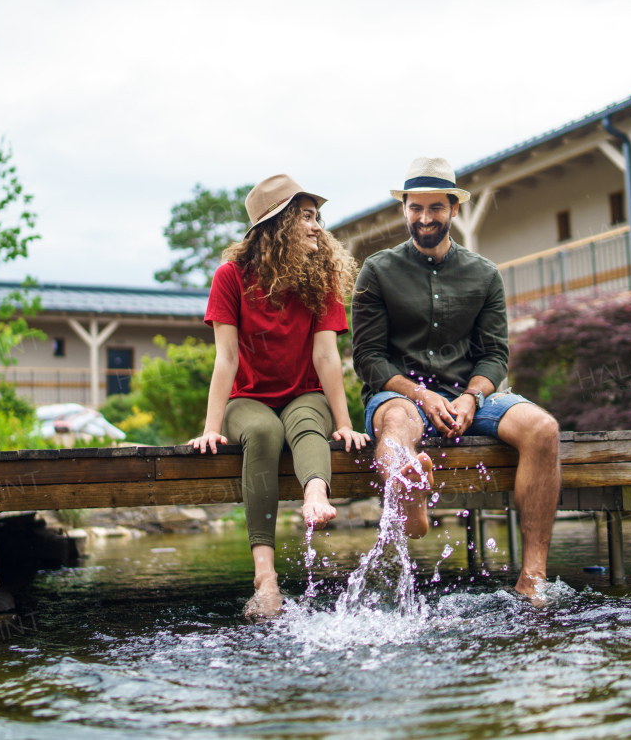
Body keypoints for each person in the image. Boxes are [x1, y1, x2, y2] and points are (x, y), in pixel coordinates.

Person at [351, 156, 562, 602]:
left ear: (454, 209)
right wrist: (419, 393)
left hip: (471, 399)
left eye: (435, 208)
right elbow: (368, 358)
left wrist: (470, 398)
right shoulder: (377, 270)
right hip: (399, 395)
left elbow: (494, 356)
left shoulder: (484, 274)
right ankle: (411, 495)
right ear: (404, 208)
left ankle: (533, 577)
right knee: (397, 429)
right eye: (415, 208)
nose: (424, 218)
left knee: (543, 429)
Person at [190, 173, 368, 619]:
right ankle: (265, 579)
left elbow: (327, 358)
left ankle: (314, 496)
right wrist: (211, 428)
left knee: (309, 421)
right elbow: (226, 359)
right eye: (305, 216)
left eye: (317, 216)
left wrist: (344, 424)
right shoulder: (230, 277)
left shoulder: (321, 279)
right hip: (246, 399)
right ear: (278, 225)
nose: (317, 225)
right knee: (265, 433)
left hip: (303, 394)